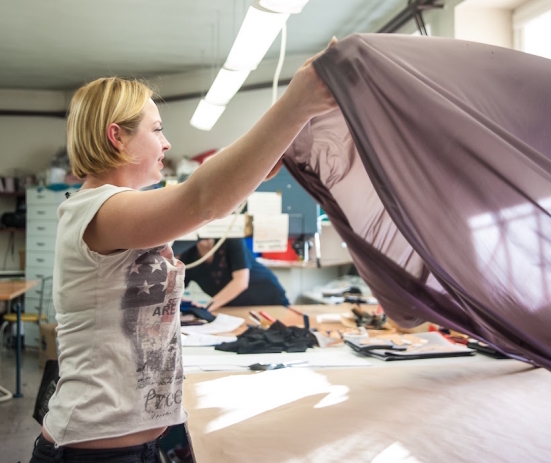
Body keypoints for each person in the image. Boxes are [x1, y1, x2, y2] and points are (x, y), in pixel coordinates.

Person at [30, 41, 336, 463]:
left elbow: (211, 197)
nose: (167, 143)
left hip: (138, 446)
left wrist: (260, 159)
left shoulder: (123, 208)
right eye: (156, 130)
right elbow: (204, 199)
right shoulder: (97, 210)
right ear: (116, 136)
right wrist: (296, 103)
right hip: (92, 454)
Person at [178, 237, 290, 310]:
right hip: (234, 309)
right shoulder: (188, 254)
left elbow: (241, 282)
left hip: (268, 300)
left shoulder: (231, 238)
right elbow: (176, 288)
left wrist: (206, 307)